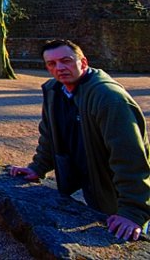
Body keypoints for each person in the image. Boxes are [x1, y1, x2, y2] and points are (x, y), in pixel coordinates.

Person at [10, 39, 150, 241]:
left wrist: (133, 212)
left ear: (83, 62)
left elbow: (129, 156)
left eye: (66, 61)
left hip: (118, 193)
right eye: (52, 64)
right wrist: (37, 167)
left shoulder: (109, 98)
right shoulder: (55, 91)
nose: (59, 68)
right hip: (88, 186)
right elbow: (50, 134)